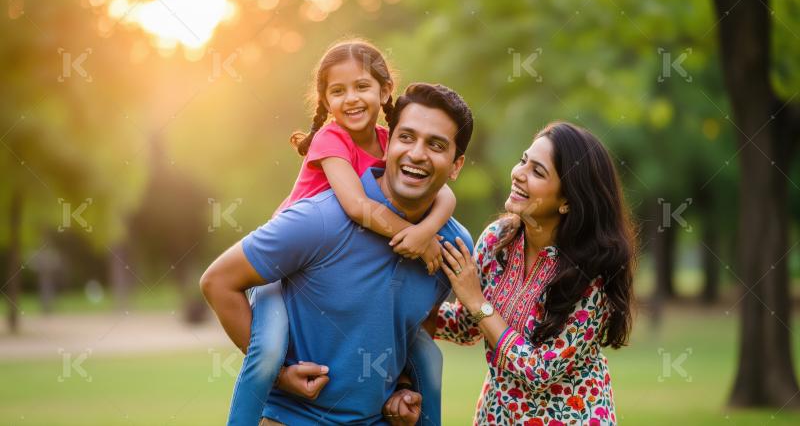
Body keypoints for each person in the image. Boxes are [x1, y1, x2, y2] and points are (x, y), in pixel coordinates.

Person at [201, 82, 475, 425]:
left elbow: (418, 323)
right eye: (406, 137)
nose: (417, 153)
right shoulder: (320, 219)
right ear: (388, 144)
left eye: (436, 145)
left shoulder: (453, 245)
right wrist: (280, 374)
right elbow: (218, 281)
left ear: (456, 165)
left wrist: (404, 386)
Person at [386, 122, 635, 425]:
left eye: (538, 172)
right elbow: (468, 326)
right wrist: (403, 306)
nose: (518, 173)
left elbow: (539, 372)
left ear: (568, 200)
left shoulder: (592, 275)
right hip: (498, 415)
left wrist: (477, 302)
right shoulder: (497, 239)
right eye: (523, 160)